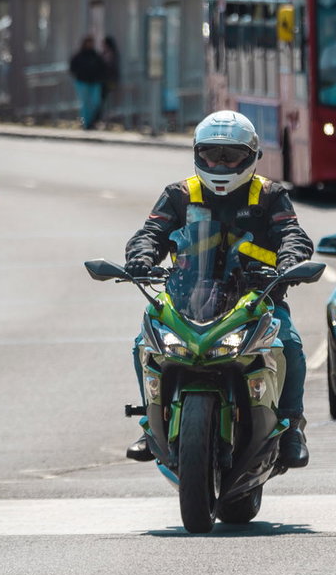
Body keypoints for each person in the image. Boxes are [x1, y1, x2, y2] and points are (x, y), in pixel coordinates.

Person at [122, 110, 315, 468]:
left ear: (253, 156)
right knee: (142, 343)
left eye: (232, 156)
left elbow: (293, 235)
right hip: (189, 299)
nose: (221, 164)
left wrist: (289, 262)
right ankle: (151, 424)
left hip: (257, 299)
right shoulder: (180, 194)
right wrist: (141, 256)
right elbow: (150, 233)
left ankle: (291, 428)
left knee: (289, 343)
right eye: (212, 154)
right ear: (197, 154)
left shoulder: (270, 195)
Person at [68, 34, 105, 130]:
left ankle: (92, 121)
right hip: (82, 82)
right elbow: (72, 68)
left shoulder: (96, 56)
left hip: (94, 82)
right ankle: (85, 124)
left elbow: (102, 67)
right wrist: (79, 74)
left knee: (95, 102)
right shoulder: (79, 56)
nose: (90, 45)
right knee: (84, 104)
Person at [95, 35, 121, 125]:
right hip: (104, 81)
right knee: (102, 101)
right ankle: (101, 119)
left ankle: (103, 119)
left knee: (105, 101)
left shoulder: (111, 54)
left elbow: (110, 68)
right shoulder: (104, 53)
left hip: (108, 81)